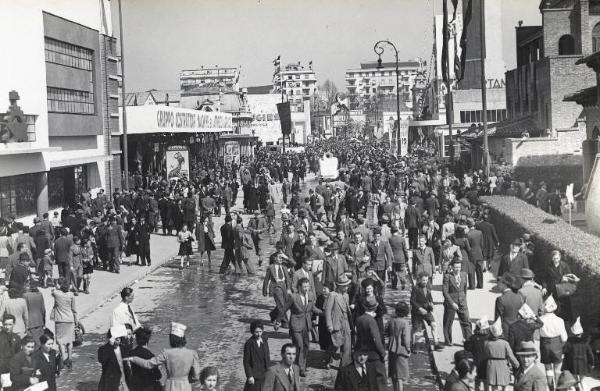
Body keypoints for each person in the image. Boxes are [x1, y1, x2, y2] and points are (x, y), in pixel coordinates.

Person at [125, 322, 201, 391]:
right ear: (183, 338)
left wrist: (133, 358)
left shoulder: (166, 353)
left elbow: (148, 364)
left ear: (171, 339)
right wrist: (186, 380)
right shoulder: (193, 353)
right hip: (186, 387)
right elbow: (197, 377)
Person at [287, 277, 322, 377]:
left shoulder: (310, 295)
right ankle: (300, 368)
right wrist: (277, 320)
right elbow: (284, 308)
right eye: (304, 286)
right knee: (299, 346)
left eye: (308, 286)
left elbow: (313, 308)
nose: (306, 288)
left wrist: (324, 313)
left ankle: (300, 364)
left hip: (306, 325)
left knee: (306, 346)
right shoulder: (293, 297)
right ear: (299, 287)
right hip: (295, 325)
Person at [355, 295, 386, 389]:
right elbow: (376, 339)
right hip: (373, 355)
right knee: (380, 381)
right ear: (375, 307)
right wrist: (383, 353)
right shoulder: (371, 321)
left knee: (367, 381)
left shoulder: (359, 319)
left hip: (361, 353)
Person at [541, 250, 579, 322]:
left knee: (565, 305)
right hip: (552, 289)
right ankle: (555, 320)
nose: (556, 260)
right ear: (552, 258)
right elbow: (545, 279)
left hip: (562, 289)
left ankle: (566, 320)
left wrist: (566, 279)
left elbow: (570, 276)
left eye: (557, 258)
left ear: (560, 258)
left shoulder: (564, 266)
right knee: (553, 305)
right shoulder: (548, 267)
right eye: (554, 258)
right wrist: (544, 287)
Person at [539, 295, 569, 388]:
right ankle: (558, 387)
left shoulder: (540, 320)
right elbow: (564, 337)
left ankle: (550, 387)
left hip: (544, 344)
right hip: (556, 344)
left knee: (548, 368)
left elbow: (537, 335)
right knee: (557, 369)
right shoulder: (559, 320)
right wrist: (561, 345)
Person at [325, 274, 353, 368]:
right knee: (336, 344)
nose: (347, 287)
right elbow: (328, 311)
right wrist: (329, 325)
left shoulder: (347, 295)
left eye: (347, 285)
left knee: (347, 346)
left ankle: (344, 366)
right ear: (339, 286)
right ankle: (328, 357)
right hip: (336, 323)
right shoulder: (332, 295)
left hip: (346, 323)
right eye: (345, 285)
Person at [442, 260, 472, 346]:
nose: (457, 269)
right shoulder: (447, 276)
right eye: (456, 267)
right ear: (451, 267)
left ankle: (468, 340)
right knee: (448, 322)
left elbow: (465, 289)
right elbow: (445, 292)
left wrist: (463, 299)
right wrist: (452, 303)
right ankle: (448, 340)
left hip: (462, 302)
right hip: (451, 302)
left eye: (459, 267)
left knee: (466, 321)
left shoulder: (464, 275)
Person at [485, 318, 519, 391]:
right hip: (503, 365)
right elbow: (511, 356)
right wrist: (516, 364)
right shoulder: (505, 343)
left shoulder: (487, 343)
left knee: (494, 386)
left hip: (491, 365)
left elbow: (486, 354)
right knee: (505, 385)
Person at [411, 271, 443, 350]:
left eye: (426, 280)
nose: (425, 282)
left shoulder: (428, 287)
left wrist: (431, 303)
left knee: (433, 324)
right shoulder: (415, 288)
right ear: (419, 280)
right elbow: (412, 301)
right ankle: (414, 344)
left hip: (427, 310)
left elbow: (429, 297)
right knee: (416, 329)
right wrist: (420, 308)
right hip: (417, 312)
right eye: (423, 280)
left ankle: (436, 343)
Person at [51, 277, 77, 370]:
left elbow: (53, 290)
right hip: (70, 320)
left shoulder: (56, 294)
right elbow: (74, 309)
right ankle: (70, 359)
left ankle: (64, 359)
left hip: (60, 320)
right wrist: (76, 321)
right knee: (69, 341)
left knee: (61, 342)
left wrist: (57, 287)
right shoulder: (71, 295)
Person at [262, 252, 292, 330]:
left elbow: (293, 264)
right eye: (279, 258)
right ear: (275, 258)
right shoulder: (270, 267)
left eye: (282, 258)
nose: (281, 259)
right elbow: (266, 279)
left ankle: (273, 314)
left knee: (286, 304)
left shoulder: (284, 266)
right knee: (281, 305)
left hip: (284, 286)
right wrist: (264, 290)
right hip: (276, 287)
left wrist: (285, 256)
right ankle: (285, 322)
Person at [98, 325, 132, 391]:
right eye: (116, 337)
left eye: (119, 337)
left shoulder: (123, 349)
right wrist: (109, 345)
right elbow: (102, 360)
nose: (118, 339)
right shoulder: (103, 349)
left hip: (124, 383)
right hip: (111, 384)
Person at [386, 301, 411, 391]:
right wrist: (408, 349)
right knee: (400, 376)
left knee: (394, 374)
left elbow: (387, 333)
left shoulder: (392, 321)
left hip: (391, 349)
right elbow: (406, 339)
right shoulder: (405, 322)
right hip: (401, 350)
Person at [562, 317, 594, 385]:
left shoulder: (570, 341)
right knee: (582, 380)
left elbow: (564, 350)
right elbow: (590, 354)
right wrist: (591, 363)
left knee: (575, 380)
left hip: (573, 364)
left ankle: (577, 387)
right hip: (583, 364)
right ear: (581, 333)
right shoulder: (585, 342)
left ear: (573, 333)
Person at [128, 327, 162, 391]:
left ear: (137, 340)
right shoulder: (150, 355)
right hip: (148, 387)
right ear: (148, 340)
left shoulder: (131, 353)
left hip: (134, 386)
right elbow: (158, 376)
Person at [495, 273, 525, 338]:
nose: (498, 284)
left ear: (504, 284)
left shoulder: (501, 299)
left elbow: (498, 320)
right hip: (517, 330)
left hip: (505, 331)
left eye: (499, 282)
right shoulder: (520, 296)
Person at [243, 320, 270, 391]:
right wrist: (249, 376)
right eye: (256, 332)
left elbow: (267, 357)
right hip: (254, 376)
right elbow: (246, 361)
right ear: (252, 332)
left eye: (260, 332)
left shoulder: (265, 341)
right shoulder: (249, 344)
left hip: (264, 374)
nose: (259, 334)